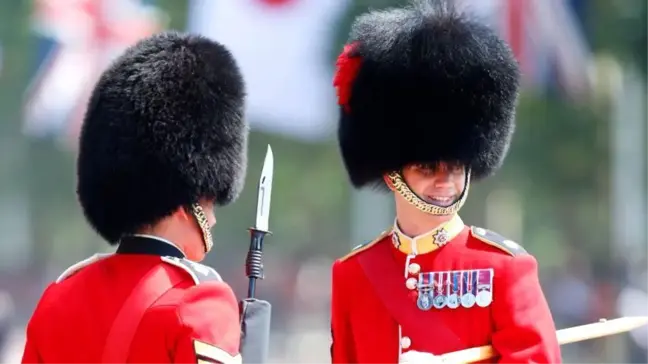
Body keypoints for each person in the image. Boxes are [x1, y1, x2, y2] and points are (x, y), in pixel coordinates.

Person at [329, 1, 562, 363]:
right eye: (426, 167)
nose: (444, 181)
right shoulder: (353, 275)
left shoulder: (504, 268)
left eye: (454, 166)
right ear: (393, 173)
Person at [22, 31, 248, 364]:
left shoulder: (60, 297)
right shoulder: (200, 300)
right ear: (188, 199)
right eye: (210, 200)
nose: (212, 219)